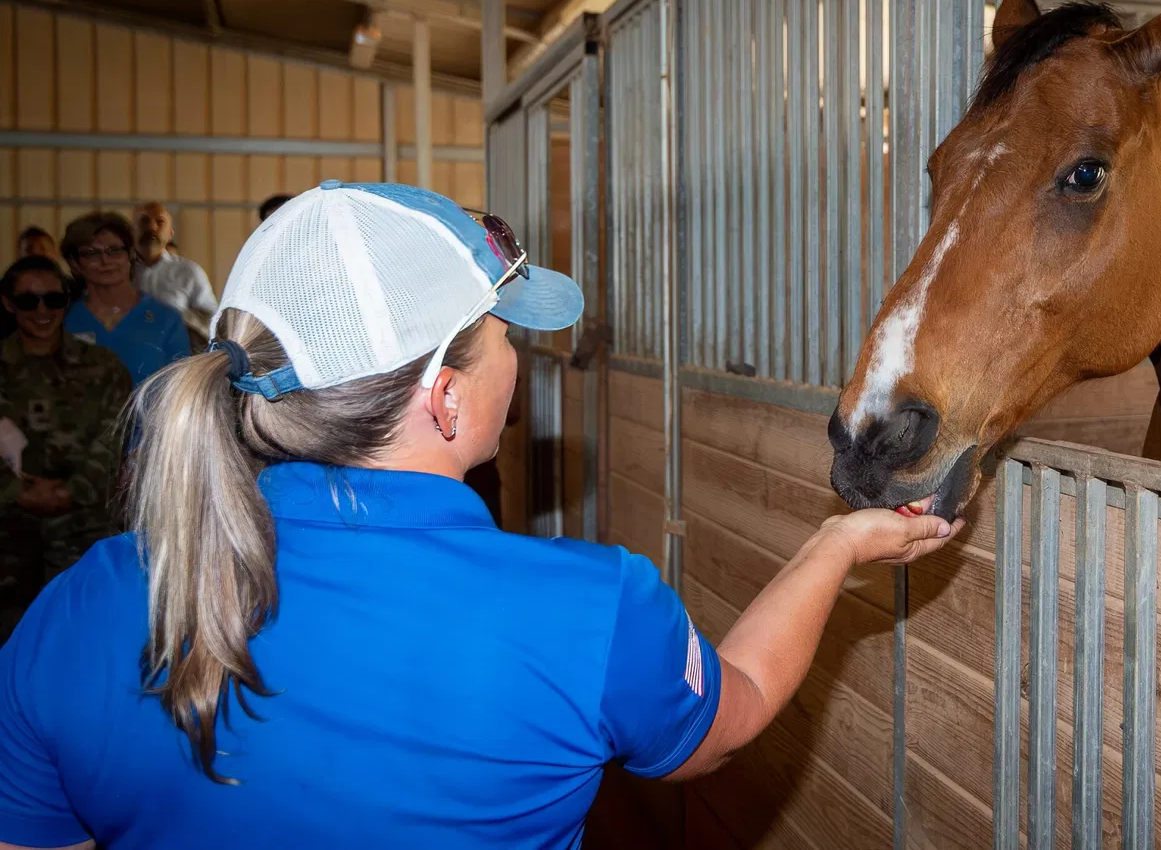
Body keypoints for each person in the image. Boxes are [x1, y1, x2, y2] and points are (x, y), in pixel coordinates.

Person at [0, 181, 962, 848]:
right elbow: (732, 709)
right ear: (445, 398)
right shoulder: (591, 606)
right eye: (503, 337)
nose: (519, 362)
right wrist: (837, 548)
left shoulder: (83, 604)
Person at [0, 255, 131, 642]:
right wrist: (17, 492)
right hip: (8, 536)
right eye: (28, 301)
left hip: (83, 534)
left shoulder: (103, 367)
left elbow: (115, 438)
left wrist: (68, 492)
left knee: (82, 642)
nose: (42, 311)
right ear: (8, 304)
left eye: (53, 300)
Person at [62, 212, 190, 386]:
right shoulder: (64, 319)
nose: (105, 260)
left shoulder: (167, 320)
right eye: (91, 253)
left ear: (130, 255)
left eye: (114, 251)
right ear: (75, 263)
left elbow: (181, 389)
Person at [133, 202, 217, 334]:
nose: (151, 227)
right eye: (144, 221)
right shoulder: (117, 270)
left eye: (160, 222)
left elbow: (211, 320)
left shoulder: (189, 272)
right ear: (132, 230)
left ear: (171, 233)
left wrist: (177, 317)